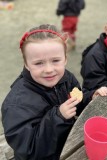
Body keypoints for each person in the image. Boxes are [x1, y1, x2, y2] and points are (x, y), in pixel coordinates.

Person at [1, 24, 96, 160]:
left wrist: (90, 97)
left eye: (56, 60)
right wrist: (58, 117)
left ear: (65, 59)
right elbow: (29, 151)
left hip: (67, 146)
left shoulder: (66, 78)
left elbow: (76, 104)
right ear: (26, 64)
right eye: (39, 63)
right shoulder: (16, 105)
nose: (49, 69)